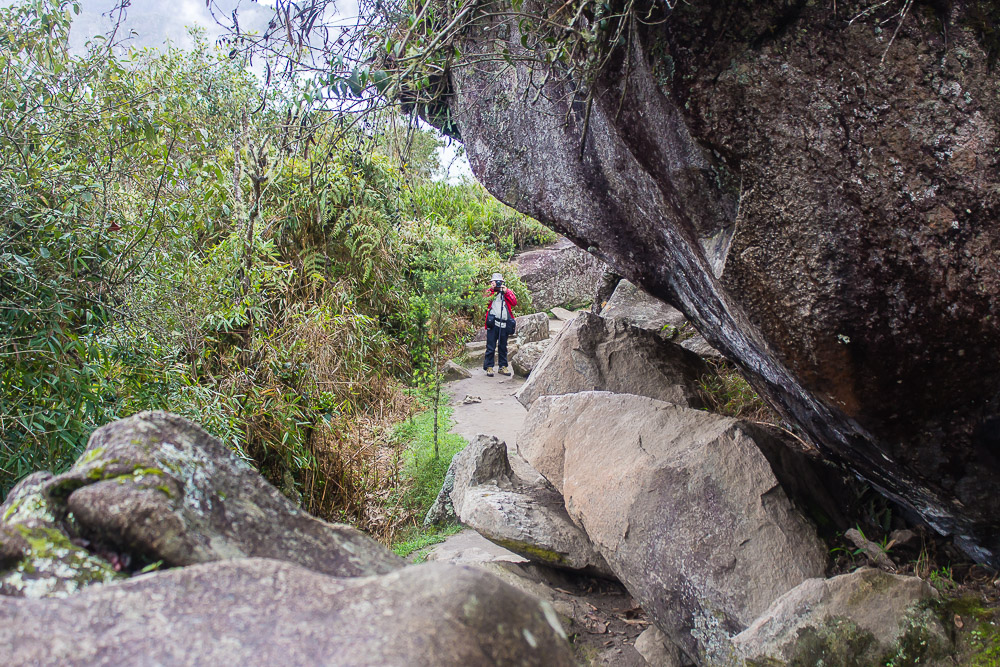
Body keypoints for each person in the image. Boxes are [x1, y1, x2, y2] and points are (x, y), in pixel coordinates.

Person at [482, 272, 517, 377]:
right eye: (495, 282)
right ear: (492, 282)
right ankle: (489, 367)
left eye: (499, 282)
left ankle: (503, 366)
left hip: (504, 323)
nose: (498, 284)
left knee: (503, 346)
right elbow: (484, 301)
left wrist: (506, 292)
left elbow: (514, 302)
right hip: (493, 323)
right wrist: (492, 290)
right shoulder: (490, 292)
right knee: (490, 346)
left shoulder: (506, 292)